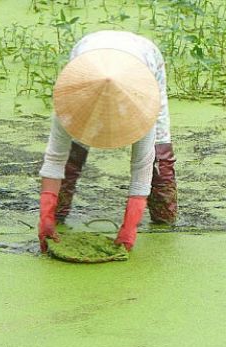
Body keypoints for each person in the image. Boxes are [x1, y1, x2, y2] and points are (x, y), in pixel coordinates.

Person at [38, 30, 177, 253]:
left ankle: (164, 219)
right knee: (70, 158)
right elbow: (55, 160)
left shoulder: (141, 106)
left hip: (144, 63)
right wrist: (45, 217)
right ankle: (56, 215)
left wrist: (129, 228)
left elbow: (141, 168)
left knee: (159, 159)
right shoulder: (69, 103)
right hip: (90, 56)